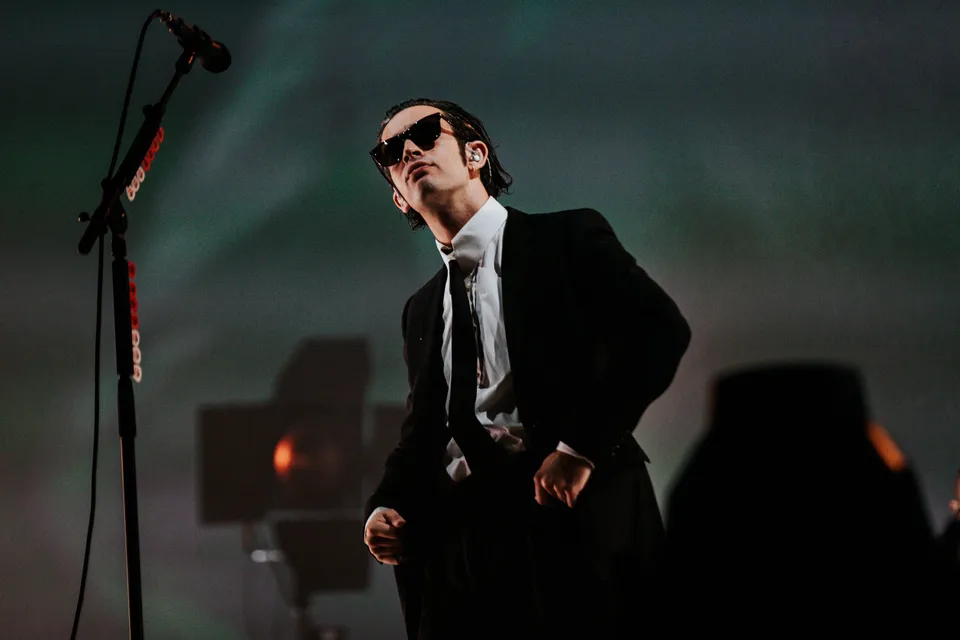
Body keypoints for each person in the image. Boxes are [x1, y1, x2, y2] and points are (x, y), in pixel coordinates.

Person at [362, 98, 690, 639]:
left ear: (475, 154)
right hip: (462, 550)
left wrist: (579, 448)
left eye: (425, 132)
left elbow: (659, 332)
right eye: (390, 152)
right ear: (399, 198)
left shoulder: (567, 239)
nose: (409, 151)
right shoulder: (420, 309)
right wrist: (386, 506)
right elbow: (423, 430)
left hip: (566, 524)